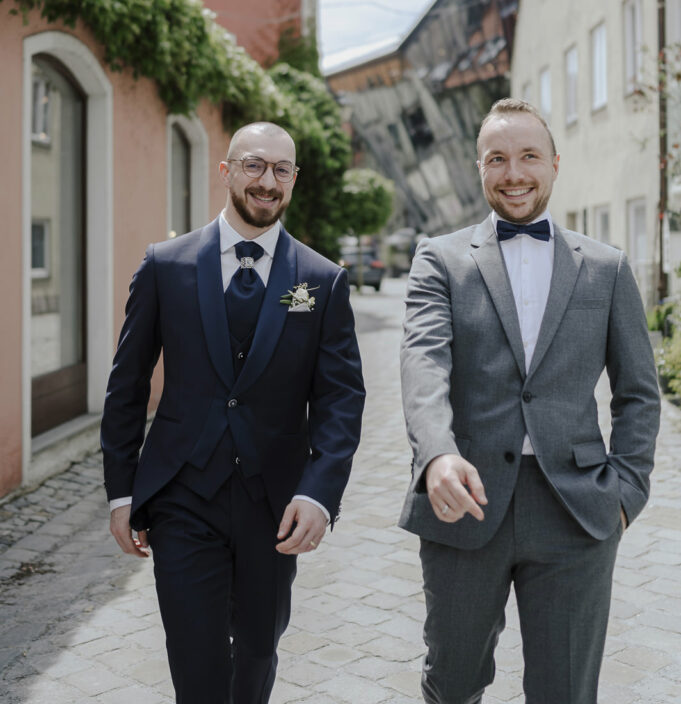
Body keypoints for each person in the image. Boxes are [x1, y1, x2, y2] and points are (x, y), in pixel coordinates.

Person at [399, 98, 660, 704]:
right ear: (480, 169)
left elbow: (638, 393)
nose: (513, 172)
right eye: (497, 159)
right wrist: (436, 454)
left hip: (576, 510)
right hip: (463, 502)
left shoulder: (607, 268)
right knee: (451, 684)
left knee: (565, 691)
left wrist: (626, 494)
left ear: (554, 164)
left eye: (528, 156)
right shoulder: (439, 259)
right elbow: (423, 364)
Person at [101, 121, 365, 704]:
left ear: (293, 180)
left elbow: (342, 400)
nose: (266, 181)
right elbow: (126, 385)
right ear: (226, 171)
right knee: (195, 659)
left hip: (273, 504)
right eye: (254, 165)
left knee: (257, 650)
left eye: (281, 170)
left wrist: (320, 494)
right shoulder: (165, 265)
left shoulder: (322, 281)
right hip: (180, 497)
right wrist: (122, 493)